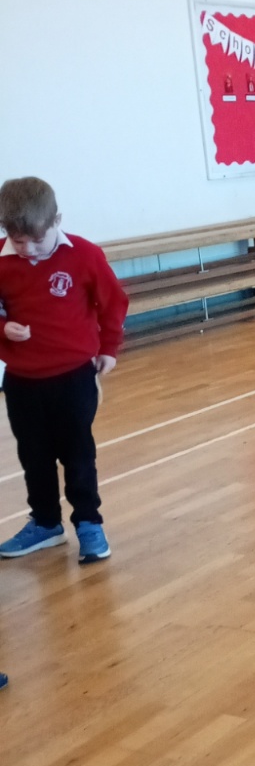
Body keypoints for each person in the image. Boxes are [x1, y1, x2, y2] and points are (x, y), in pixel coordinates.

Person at [0, 177, 128, 564]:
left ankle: (88, 523)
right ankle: (45, 524)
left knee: (77, 454)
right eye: (18, 241)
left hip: (73, 377)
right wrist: (4, 328)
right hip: (22, 382)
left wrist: (109, 348)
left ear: (57, 220)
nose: (28, 249)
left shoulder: (85, 255)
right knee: (33, 456)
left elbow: (113, 303)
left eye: (37, 240)